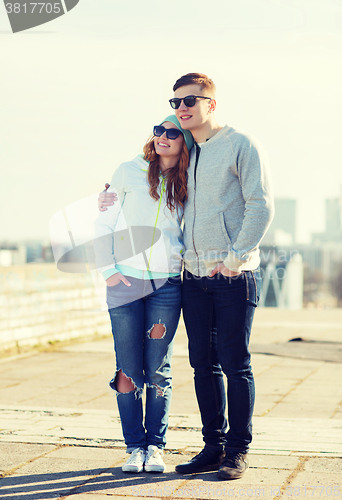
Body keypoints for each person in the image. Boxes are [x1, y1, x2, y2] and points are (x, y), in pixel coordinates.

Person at [99, 73, 274, 480]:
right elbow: (121, 203)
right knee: (202, 364)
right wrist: (106, 200)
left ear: (211, 103)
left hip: (231, 274)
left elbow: (260, 207)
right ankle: (212, 446)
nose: (182, 109)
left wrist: (234, 259)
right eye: (176, 102)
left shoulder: (241, 145)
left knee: (235, 363)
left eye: (191, 101)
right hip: (191, 277)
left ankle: (236, 451)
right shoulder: (179, 156)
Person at [95, 115, 193, 474]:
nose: (163, 137)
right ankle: (134, 446)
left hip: (166, 285)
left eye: (173, 133)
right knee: (127, 369)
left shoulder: (188, 177)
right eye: (159, 130)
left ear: (185, 143)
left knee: (158, 370)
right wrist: (108, 270)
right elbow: (104, 221)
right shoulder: (128, 171)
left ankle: (156, 446)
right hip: (125, 284)